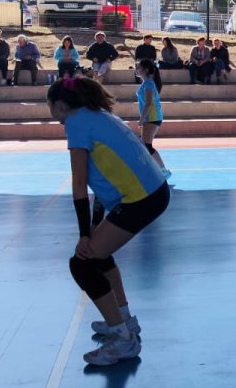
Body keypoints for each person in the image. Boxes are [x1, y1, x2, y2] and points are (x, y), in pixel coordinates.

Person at [46, 74, 170, 366]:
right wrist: (94, 226)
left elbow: (79, 184)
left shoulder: (76, 123)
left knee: (82, 264)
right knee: (99, 256)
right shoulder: (100, 115)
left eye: (49, 105)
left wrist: (84, 235)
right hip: (153, 192)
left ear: (60, 105)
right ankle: (124, 319)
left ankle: (123, 338)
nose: (49, 111)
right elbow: (102, 183)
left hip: (141, 199)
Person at [135, 59, 170, 176]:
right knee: (144, 145)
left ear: (145, 70)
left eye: (138, 67)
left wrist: (141, 119)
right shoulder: (146, 83)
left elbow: (149, 103)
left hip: (152, 117)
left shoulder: (148, 83)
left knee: (146, 146)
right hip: (150, 117)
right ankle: (152, 169)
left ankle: (163, 170)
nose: (136, 69)